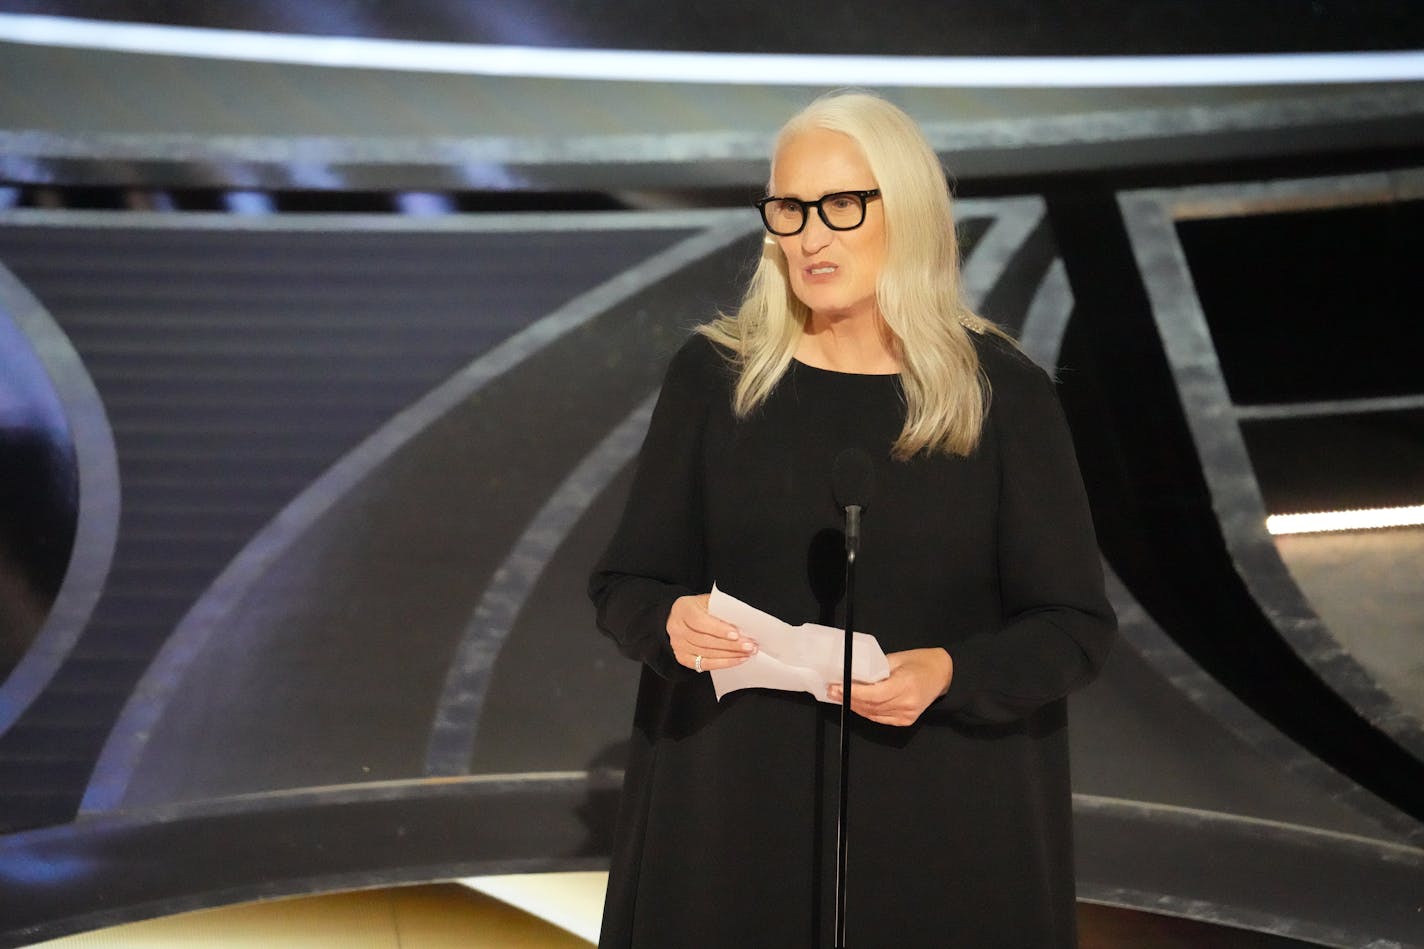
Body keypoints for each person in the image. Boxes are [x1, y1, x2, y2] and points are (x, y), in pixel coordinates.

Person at [588, 90, 1116, 948]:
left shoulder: (1000, 394)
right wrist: (670, 621)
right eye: (790, 209)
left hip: (941, 816)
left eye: (840, 205)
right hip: (737, 812)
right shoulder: (716, 378)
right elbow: (626, 582)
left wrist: (946, 671)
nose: (809, 234)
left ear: (904, 211)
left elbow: (1073, 627)